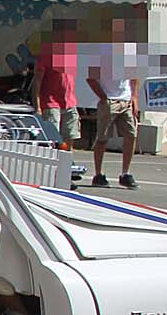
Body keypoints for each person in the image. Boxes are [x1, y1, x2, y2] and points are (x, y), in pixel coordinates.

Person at [86, 22, 144, 189]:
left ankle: (125, 173)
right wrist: (103, 97)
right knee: (103, 138)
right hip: (110, 100)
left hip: (125, 100)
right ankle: (98, 174)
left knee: (131, 134)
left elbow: (134, 75)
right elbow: (91, 78)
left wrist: (134, 97)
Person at [33, 17, 80, 149]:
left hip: (70, 102)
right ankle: (52, 166)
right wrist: (38, 106)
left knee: (70, 135)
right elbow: (37, 81)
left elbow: (69, 80)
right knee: (52, 139)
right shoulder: (46, 53)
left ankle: (66, 164)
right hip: (51, 103)